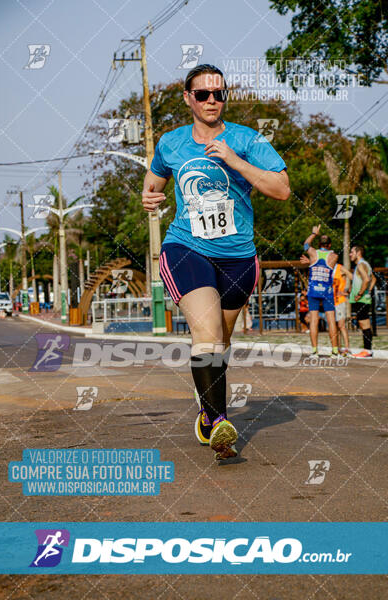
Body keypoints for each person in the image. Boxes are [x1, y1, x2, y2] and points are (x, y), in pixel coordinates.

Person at [142, 64, 290, 460]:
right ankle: (219, 420)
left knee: (220, 343)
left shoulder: (247, 139)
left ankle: (208, 412)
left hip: (238, 256)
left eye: (219, 93)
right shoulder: (171, 143)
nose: (212, 100)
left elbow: (281, 189)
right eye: (203, 94)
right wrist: (150, 198)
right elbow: (153, 182)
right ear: (188, 98)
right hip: (186, 248)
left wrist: (235, 161)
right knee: (206, 334)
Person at [303, 225, 338, 357]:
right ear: (329, 245)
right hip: (327, 291)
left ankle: (314, 351)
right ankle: (334, 351)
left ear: (319, 244)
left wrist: (313, 233)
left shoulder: (313, 253)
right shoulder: (334, 256)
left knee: (313, 321)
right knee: (331, 321)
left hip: (313, 291)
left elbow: (306, 244)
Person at [349, 245, 376, 359]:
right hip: (363, 299)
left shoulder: (361, 265)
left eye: (352, 252)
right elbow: (373, 278)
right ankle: (367, 350)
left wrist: (360, 293)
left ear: (358, 253)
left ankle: (367, 351)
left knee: (364, 324)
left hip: (361, 299)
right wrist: (368, 290)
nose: (350, 254)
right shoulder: (364, 264)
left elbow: (367, 279)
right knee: (364, 324)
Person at [332, 262, 351, 356]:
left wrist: (347, 291)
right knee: (334, 327)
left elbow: (352, 276)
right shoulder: (327, 268)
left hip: (339, 301)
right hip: (330, 302)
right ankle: (338, 348)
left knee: (341, 325)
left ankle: (347, 348)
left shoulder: (339, 267)